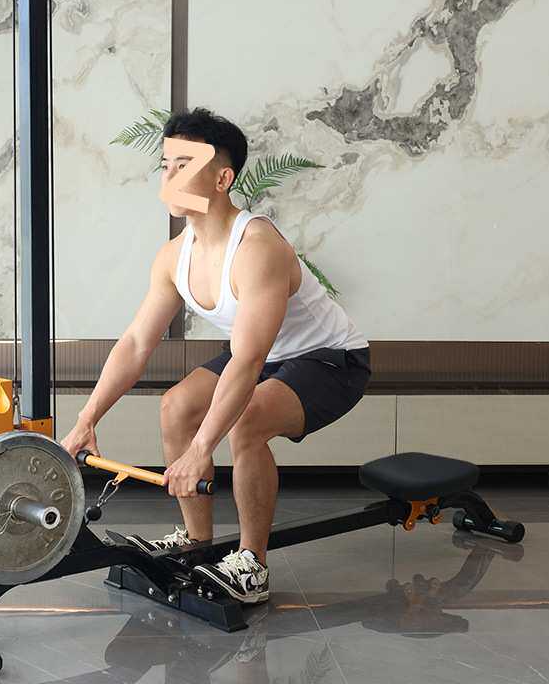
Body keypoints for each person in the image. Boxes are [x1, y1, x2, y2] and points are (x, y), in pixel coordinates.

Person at [61, 107, 371, 604]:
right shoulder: (174, 256)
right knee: (176, 406)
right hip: (266, 355)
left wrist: (201, 449)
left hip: (331, 359)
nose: (168, 177)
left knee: (245, 420)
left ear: (222, 178)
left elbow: (247, 360)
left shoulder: (257, 247)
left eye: (184, 165)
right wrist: (86, 418)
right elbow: (137, 342)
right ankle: (196, 540)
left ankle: (252, 564)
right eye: (165, 165)